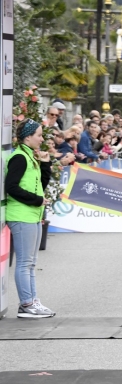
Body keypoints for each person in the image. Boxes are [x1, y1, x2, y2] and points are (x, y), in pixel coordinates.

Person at [5, 120, 55, 318]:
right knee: (25, 263)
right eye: (39, 135)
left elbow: (40, 186)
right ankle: (26, 304)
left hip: (31, 215)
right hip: (21, 215)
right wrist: (36, 200)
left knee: (31, 262)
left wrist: (45, 164)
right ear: (28, 137)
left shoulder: (29, 156)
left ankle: (32, 301)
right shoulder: (19, 157)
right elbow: (12, 187)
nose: (42, 139)